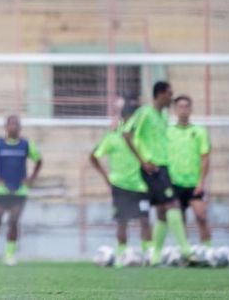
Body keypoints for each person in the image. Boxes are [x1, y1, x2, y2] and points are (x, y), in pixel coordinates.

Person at [123, 81, 193, 265]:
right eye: (170, 94)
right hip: (152, 168)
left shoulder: (163, 115)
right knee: (173, 204)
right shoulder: (144, 112)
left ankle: (155, 257)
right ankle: (186, 250)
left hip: (163, 167)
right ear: (160, 94)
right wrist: (142, 160)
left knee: (162, 211)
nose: (171, 97)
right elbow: (126, 133)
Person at [90, 104, 152, 266]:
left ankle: (148, 256)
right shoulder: (112, 138)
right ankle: (120, 255)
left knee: (145, 220)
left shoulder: (141, 138)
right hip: (120, 186)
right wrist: (106, 177)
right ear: (124, 118)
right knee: (122, 222)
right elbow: (94, 156)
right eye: (132, 118)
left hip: (140, 186)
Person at [0, 115, 43, 266]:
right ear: (5, 127)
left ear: (20, 128)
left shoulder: (26, 145)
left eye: (16, 124)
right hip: (0, 190)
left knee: (13, 222)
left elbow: (39, 160)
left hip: (19, 190)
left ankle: (9, 255)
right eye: (11, 124)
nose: (13, 127)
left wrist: (32, 177)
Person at [167, 95, 212, 246]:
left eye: (186, 106)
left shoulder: (199, 131)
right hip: (175, 183)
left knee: (201, 216)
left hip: (194, 183)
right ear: (175, 110)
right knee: (180, 220)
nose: (183, 110)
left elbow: (205, 157)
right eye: (180, 107)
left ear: (191, 109)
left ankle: (208, 250)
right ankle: (185, 253)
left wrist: (201, 182)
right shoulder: (168, 132)